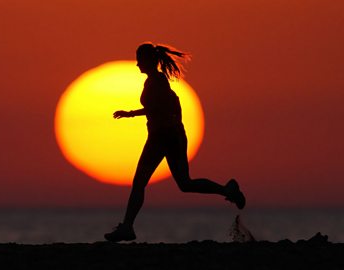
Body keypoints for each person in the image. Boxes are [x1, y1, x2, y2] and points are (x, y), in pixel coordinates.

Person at [104, 42, 246, 242]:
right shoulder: (154, 81)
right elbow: (169, 105)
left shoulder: (158, 81)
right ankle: (227, 190)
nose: (137, 65)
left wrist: (131, 114)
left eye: (139, 60)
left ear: (148, 61)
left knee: (140, 182)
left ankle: (127, 227)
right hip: (168, 135)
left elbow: (161, 107)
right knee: (184, 183)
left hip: (164, 137)